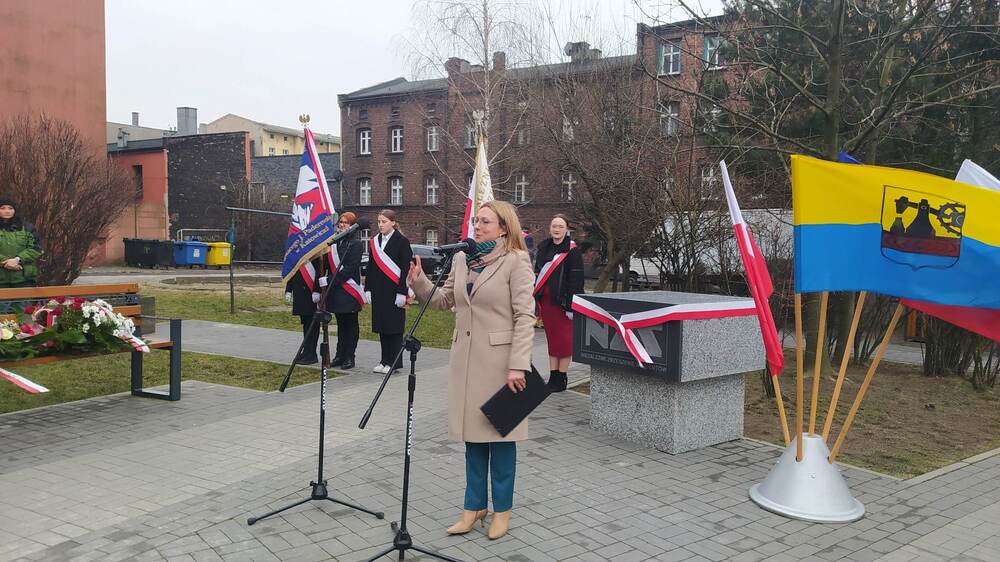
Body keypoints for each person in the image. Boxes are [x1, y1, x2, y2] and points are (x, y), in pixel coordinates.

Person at [408, 200, 535, 541]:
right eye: (476, 221)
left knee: (501, 441)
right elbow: (444, 299)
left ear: (504, 228)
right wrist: (419, 282)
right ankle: (473, 507)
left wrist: (518, 366)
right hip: (465, 362)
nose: (477, 226)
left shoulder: (516, 262)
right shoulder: (463, 259)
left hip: (502, 366)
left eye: (485, 222)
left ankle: (502, 511)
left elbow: (525, 317)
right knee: (473, 440)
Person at [533, 214, 584, 392]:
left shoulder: (572, 251)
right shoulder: (544, 247)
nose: (556, 229)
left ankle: (561, 378)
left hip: (562, 304)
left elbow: (576, 280)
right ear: (550, 228)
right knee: (552, 340)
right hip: (547, 303)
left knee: (564, 341)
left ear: (566, 229)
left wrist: (571, 305)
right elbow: (538, 272)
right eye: (554, 226)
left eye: (560, 226)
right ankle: (553, 376)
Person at [364, 209, 412, 374]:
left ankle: (394, 363)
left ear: (392, 222)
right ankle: (384, 360)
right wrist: (368, 288)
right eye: (379, 222)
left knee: (394, 328)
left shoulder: (402, 241)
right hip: (378, 290)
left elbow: (406, 269)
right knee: (382, 326)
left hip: (394, 291)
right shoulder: (375, 241)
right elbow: (370, 267)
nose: (381, 225)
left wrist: (402, 292)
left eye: (384, 222)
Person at [326, 212, 364, 370]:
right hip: (336, 291)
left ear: (353, 225)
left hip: (349, 290)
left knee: (350, 325)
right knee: (341, 325)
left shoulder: (356, 244)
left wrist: (330, 281)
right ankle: (339, 355)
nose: (342, 225)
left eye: (346, 223)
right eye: (341, 222)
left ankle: (350, 356)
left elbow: (350, 268)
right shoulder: (336, 243)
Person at [285, 257, 323, 365]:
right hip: (300, 292)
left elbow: (320, 272)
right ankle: (306, 350)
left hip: (311, 291)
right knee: (306, 323)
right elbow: (292, 270)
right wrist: (289, 289)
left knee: (312, 323)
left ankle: (311, 353)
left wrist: (317, 290)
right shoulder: (299, 252)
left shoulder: (315, 252)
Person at [0, 197, 43, 288]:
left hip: (23, 278)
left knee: (24, 302)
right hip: (1, 279)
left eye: (10, 208)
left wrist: (17, 260)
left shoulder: (27, 228)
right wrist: (6, 263)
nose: (7, 211)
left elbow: (36, 248)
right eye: (3, 208)